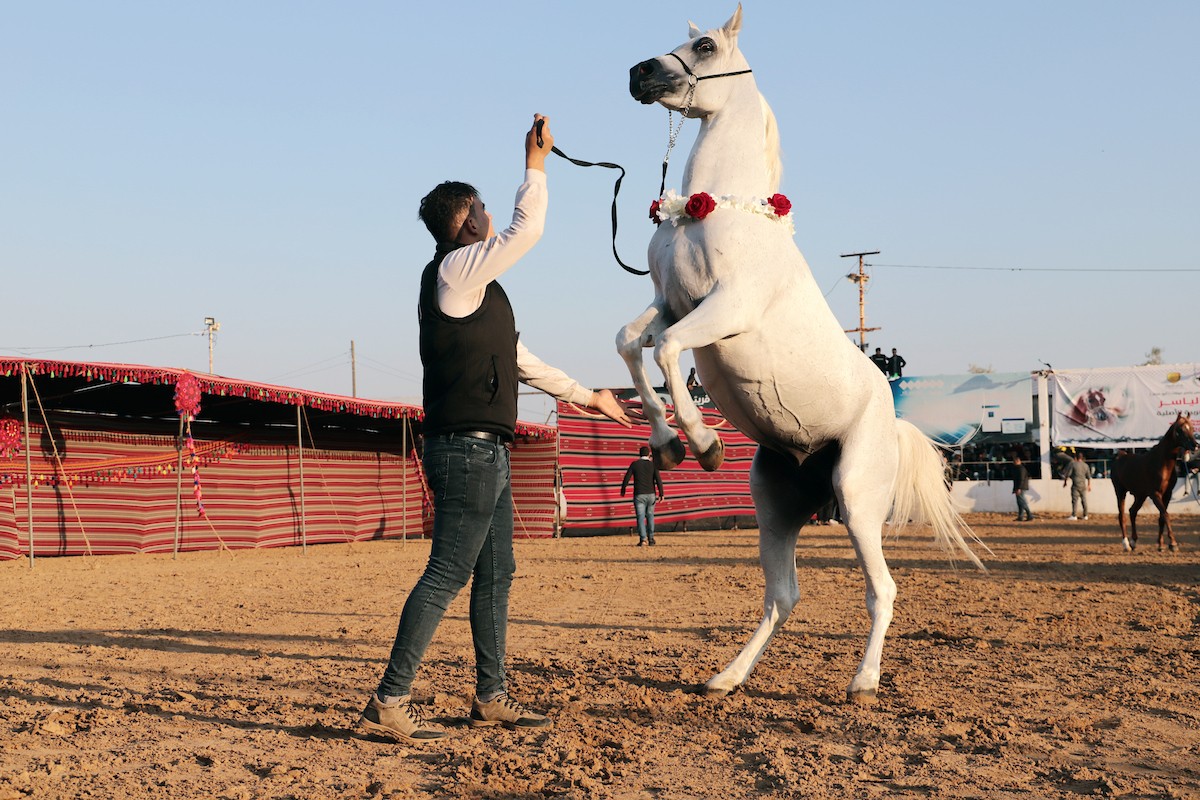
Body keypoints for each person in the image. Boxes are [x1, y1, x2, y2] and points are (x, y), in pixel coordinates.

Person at [360, 115, 633, 743]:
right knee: (449, 572)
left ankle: (491, 697)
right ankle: (388, 700)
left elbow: (521, 362)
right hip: (464, 451)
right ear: (469, 221)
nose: (489, 215)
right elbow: (529, 227)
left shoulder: (476, 288)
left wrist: (590, 397)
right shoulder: (456, 272)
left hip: (488, 451)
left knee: (496, 570)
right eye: (482, 206)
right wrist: (534, 164)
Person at [621, 445, 664, 545]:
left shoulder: (635, 464)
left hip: (639, 494)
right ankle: (651, 539)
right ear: (648, 454)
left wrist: (623, 489)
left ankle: (643, 539)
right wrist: (661, 493)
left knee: (640, 517)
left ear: (639, 454)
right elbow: (658, 479)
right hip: (651, 494)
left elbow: (627, 477)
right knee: (650, 516)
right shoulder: (653, 465)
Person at [1062, 451, 1092, 520]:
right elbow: (1088, 477)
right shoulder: (1085, 465)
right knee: (1084, 500)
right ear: (1082, 458)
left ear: (1076, 458)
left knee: (1074, 500)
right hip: (1083, 485)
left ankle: (1074, 515)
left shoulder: (1073, 464)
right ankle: (1085, 515)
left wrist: (1065, 482)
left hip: (1075, 485)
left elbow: (1068, 474)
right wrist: (1089, 485)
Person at [1011, 455, 1033, 521]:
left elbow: (1021, 479)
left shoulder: (1021, 469)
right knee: (1020, 502)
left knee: (1021, 501)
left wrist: (1018, 488)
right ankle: (1021, 516)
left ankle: (1029, 514)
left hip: (1021, 487)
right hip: (1020, 487)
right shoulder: (1019, 468)